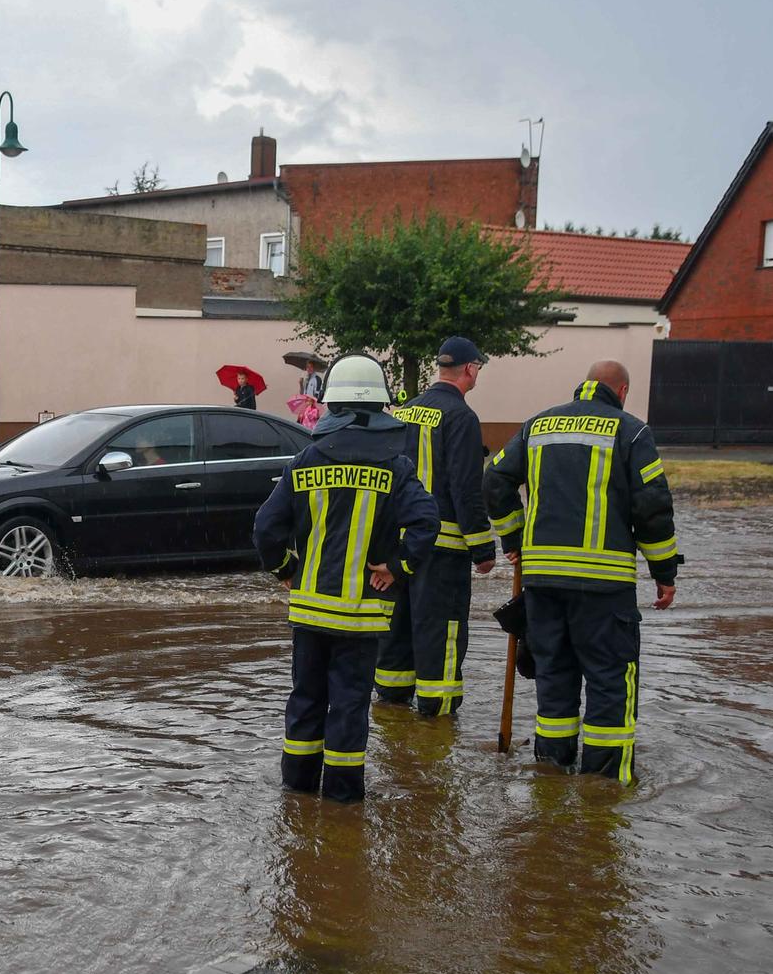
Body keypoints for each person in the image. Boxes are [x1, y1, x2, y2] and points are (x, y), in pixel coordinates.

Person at [482, 360, 682, 783]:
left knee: (554, 676)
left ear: (585, 384)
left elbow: (495, 479)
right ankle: (603, 786)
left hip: (542, 584)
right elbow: (652, 506)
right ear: (622, 391)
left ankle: (550, 775)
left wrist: (513, 539)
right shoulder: (632, 432)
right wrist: (664, 572)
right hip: (604, 586)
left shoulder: (537, 426)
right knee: (610, 681)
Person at [254, 353, 439, 802]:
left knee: (306, 699)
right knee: (350, 705)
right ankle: (342, 800)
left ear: (332, 406)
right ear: (380, 408)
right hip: (361, 616)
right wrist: (397, 567)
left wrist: (286, 570)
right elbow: (426, 522)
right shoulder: (396, 467)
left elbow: (265, 528)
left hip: (310, 612)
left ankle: (297, 791)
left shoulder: (303, 461)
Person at [374, 337, 497, 716]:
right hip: (442, 552)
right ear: (470, 369)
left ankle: (392, 708)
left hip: (398, 548)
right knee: (440, 630)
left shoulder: (405, 412)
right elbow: (465, 488)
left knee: (397, 629)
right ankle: (436, 719)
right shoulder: (461, 417)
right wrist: (483, 548)